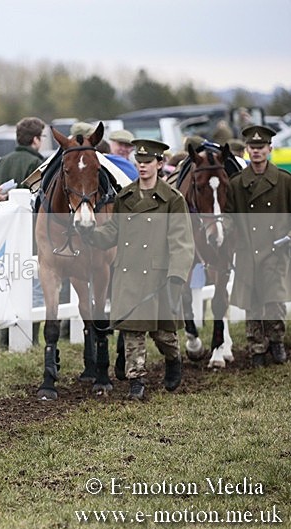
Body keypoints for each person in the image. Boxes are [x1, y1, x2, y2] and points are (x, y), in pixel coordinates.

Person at [79, 139, 195, 401]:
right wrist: (90, 234)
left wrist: (176, 275)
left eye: (147, 163)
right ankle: (136, 381)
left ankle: (174, 360)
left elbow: (182, 241)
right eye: (139, 162)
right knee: (132, 331)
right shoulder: (125, 196)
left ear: (160, 164)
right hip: (129, 274)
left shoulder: (172, 200)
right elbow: (112, 232)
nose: (142, 167)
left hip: (159, 276)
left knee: (164, 334)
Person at [224, 125, 291, 367]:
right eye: (252, 147)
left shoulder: (285, 181)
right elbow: (229, 217)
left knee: (273, 298)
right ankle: (257, 348)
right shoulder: (236, 184)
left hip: (276, 248)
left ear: (269, 149)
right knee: (252, 300)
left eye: (260, 147)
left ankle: (276, 341)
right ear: (246, 150)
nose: (256, 152)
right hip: (248, 250)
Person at [0, 117, 46, 349]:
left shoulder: (1, 162)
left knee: (6, 288)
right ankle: (28, 339)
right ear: (35, 139)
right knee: (29, 289)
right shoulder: (38, 164)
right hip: (29, 234)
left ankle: (4, 341)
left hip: (3, 234)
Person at [0, 116, 46, 189]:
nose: (43, 140)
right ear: (35, 139)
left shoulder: (2, 161)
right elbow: (38, 194)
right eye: (43, 136)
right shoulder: (36, 163)